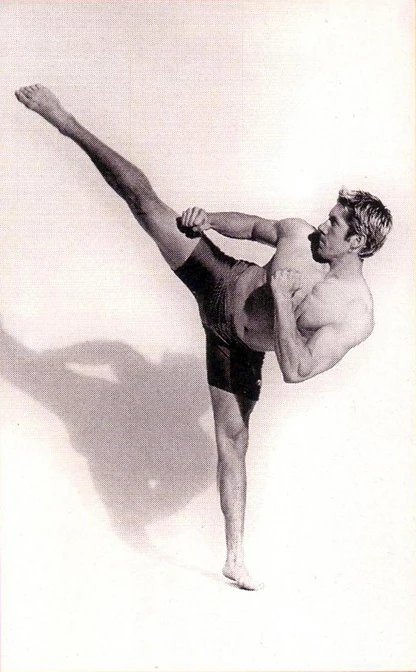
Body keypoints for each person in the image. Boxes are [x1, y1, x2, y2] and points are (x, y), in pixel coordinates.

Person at [15, 85, 392, 590]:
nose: (322, 226)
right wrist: (208, 220)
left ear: (358, 243)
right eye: (329, 217)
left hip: (236, 349)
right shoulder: (300, 234)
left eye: (336, 224)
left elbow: (297, 369)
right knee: (144, 203)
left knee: (233, 443)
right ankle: (64, 120)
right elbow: (254, 227)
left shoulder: (355, 315)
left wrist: (282, 301)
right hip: (221, 280)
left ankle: (234, 557)